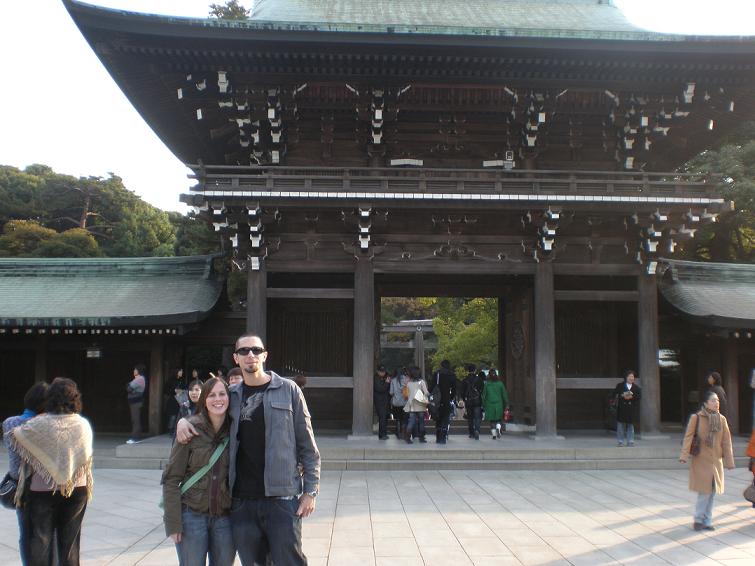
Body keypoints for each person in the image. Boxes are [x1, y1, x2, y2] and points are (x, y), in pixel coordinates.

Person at [176, 333, 320, 566]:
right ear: (236, 358)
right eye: (244, 351)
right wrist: (184, 421)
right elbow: (206, 416)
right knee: (252, 562)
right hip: (242, 500)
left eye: (255, 350)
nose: (250, 355)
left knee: (290, 560)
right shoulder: (231, 395)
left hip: (281, 498)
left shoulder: (289, 390)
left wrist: (311, 491)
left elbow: (308, 445)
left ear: (265, 355)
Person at [8, 378, 94, 566]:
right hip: (76, 488)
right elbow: (85, 455)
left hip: (41, 490)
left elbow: (15, 434)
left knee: (41, 540)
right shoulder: (82, 424)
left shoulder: (38, 424)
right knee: (69, 543)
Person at [162, 377, 235, 566]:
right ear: (204, 400)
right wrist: (173, 523)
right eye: (211, 395)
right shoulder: (190, 429)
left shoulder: (236, 431)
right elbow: (171, 479)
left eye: (222, 394)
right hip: (191, 516)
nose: (217, 399)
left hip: (225, 518)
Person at [2, 381, 49, 566]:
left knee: (26, 533)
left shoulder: (10, 422)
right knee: (48, 532)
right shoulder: (46, 426)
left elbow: (15, 467)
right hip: (45, 485)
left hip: (22, 487)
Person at [679, 390, 735, 531]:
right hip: (701, 460)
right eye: (713, 400)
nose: (717, 403)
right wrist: (684, 455)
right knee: (704, 492)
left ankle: (707, 520)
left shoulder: (721, 419)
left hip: (716, 461)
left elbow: (726, 442)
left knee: (712, 492)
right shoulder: (696, 418)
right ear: (706, 403)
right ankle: (699, 519)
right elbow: (688, 437)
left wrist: (729, 461)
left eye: (717, 400)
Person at [613, 370, 641, 447]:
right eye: (630, 376)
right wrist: (622, 395)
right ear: (626, 377)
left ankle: (630, 441)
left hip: (631, 408)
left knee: (630, 426)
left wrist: (632, 397)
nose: (631, 378)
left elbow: (639, 397)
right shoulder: (620, 385)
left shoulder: (636, 388)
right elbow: (614, 394)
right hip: (622, 407)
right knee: (620, 426)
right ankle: (620, 441)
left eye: (633, 376)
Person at [432, 360, 457, 444]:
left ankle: (438, 437)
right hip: (447, 399)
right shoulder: (452, 375)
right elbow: (454, 389)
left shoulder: (437, 374)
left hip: (437, 399)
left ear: (441, 365)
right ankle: (443, 436)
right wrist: (451, 397)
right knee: (445, 418)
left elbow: (432, 387)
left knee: (438, 418)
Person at [403, 366, 429, 444]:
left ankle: (407, 437)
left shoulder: (408, 383)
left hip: (411, 405)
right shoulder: (422, 382)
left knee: (411, 421)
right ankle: (421, 438)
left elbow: (406, 394)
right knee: (421, 421)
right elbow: (426, 392)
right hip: (420, 404)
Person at [482, 369, 509, 440]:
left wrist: (483, 404)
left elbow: (484, 395)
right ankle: (498, 427)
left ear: (489, 376)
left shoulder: (487, 384)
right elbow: (504, 395)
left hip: (489, 404)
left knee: (492, 420)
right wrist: (506, 403)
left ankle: (494, 435)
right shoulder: (500, 384)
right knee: (498, 419)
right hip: (499, 404)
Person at [461, 364, 483, 440]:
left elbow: (462, 392)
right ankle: (477, 429)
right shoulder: (479, 380)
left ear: (468, 370)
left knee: (470, 418)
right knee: (477, 417)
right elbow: (482, 390)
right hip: (477, 401)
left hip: (468, 401)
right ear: (475, 370)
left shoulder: (465, 380)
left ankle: (471, 433)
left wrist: (464, 399)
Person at [126, 363, 147, 444]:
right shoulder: (138, 379)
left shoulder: (140, 379)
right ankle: (137, 437)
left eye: (135, 369)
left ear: (139, 370)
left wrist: (129, 386)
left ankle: (135, 438)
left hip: (136, 402)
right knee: (135, 419)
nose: (134, 371)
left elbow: (129, 388)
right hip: (135, 402)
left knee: (136, 420)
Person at [389, 368, 409, 439]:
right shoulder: (407, 379)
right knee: (404, 419)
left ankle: (398, 433)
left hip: (396, 403)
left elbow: (391, 392)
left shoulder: (393, 380)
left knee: (397, 418)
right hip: (405, 402)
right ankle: (404, 433)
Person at [373, 365, 391, 440]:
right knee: (382, 417)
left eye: (383, 371)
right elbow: (380, 389)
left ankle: (383, 433)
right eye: (381, 371)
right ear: (377, 371)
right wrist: (386, 383)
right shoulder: (376, 378)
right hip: (379, 401)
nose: (382, 373)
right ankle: (382, 434)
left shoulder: (386, 376)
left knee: (385, 417)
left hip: (386, 400)